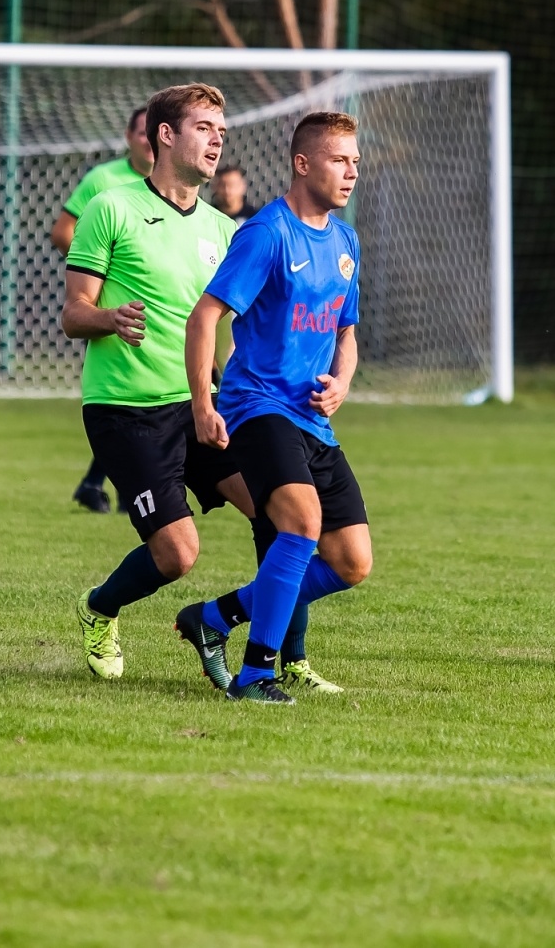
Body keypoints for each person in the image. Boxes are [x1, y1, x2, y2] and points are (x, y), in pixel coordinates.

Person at [181, 111, 371, 705]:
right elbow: (206, 316)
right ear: (303, 163)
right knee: (301, 525)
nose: (351, 173)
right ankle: (257, 673)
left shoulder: (345, 242)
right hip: (257, 406)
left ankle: (215, 616)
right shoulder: (266, 234)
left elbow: (346, 333)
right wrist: (202, 402)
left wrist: (342, 381)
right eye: (340, 160)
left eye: (356, 162)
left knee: (350, 563)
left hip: (314, 418)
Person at [60, 83, 247, 680]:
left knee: (283, 514)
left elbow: (228, 333)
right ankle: (100, 609)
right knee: (178, 554)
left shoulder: (223, 230)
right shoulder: (110, 208)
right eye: (204, 128)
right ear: (166, 135)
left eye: (221, 129)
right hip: (127, 411)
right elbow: (72, 313)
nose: (217, 139)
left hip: (203, 404)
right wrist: (109, 319)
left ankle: (281, 658)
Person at [52, 105, 156, 514]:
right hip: (115, 314)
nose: (150, 139)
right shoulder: (105, 180)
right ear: (128, 137)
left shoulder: (179, 184)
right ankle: (138, 492)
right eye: (142, 132)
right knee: (133, 401)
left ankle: (105, 484)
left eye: (156, 131)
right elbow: (63, 232)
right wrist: (99, 267)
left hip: (169, 312)